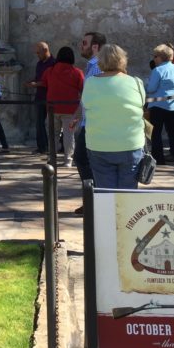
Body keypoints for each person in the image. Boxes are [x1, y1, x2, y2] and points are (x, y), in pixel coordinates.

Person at [80, 44, 146, 190]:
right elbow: (142, 104)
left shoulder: (91, 83)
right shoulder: (135, 82)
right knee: (127, 194)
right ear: (122, 60)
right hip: (130, 143)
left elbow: (85, 105)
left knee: (105, 193)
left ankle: (107, 213)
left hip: (99, 144)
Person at [71, 31, 106, 214]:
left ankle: (93, 200)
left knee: (83, 159)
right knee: (85, 159)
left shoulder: (97, 66)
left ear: (95, 46)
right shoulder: (91, 65)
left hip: (93, 123)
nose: (80, 46)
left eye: (84, 43)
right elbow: (87, 95)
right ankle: (93, 199)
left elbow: (96, 95)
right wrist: (78, 115)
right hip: (88, 122)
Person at [41, 46, 84, 166]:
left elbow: (44, 83)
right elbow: (83, 89)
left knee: (52, 134)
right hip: (71, 110)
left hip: (52, 109)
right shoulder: (77, 73)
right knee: (69, 135)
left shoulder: (49, 71)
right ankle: (68, 160)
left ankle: (51, 158)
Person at [146, 44, 174, 166]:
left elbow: (151, 89)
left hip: (158, 106)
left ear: (160, 57)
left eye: (155, 56)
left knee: (156, 133)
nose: (154, 59)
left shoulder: (157, 70)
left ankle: (159, 159)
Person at [25, 41, 56, 153]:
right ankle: (42, 147)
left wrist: (36, 84)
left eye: (38, 53)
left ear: (45, 50)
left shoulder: (54, 63)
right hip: (40, 97)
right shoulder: (39, 63)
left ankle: (56, 147)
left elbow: (51, 82)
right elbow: (39, 77)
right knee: (39, 123)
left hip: (51, 97)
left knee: (54, 124)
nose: (37, 55)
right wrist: (31, 81)